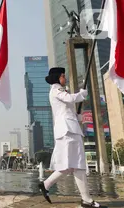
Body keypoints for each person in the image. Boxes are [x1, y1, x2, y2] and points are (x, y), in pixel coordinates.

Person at [39, 67, 102, 208]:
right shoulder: (56, 90)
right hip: (67, 131)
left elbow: (67, 110)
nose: (64, 78)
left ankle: (46, 184)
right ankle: (86, 200)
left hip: (70, 129)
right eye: (62, 76)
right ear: (57, 78)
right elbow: (70, 98)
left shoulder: (60, 91)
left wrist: (77, 116)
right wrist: (81, 94)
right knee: (75, 164)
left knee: (73, 165)